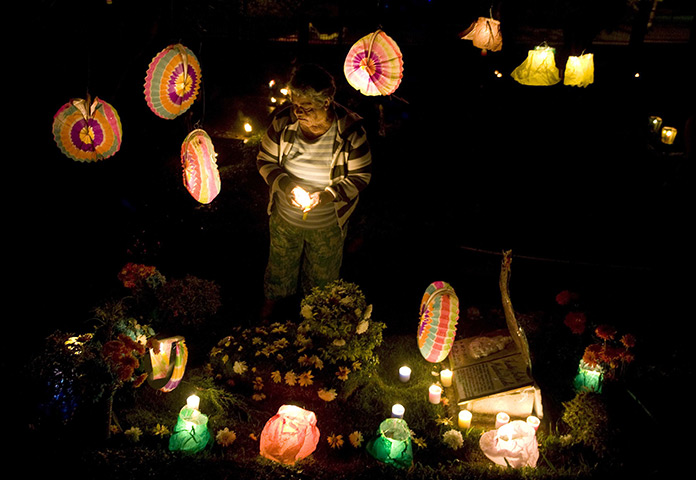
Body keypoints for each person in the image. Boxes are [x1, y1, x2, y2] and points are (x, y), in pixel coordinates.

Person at [256, 63, 372, 319]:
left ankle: (317, 319)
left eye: (307, 107)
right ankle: (271, 312)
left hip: (328, 220)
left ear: (327, 102)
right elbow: (265, 160)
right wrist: (287, 186)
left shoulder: (350, 132)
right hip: (286, 216)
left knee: (323, 274)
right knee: (280, 263)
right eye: (296, 105)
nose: (298, 113)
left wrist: (327, 195)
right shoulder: (283, 122)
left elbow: (360, 176)